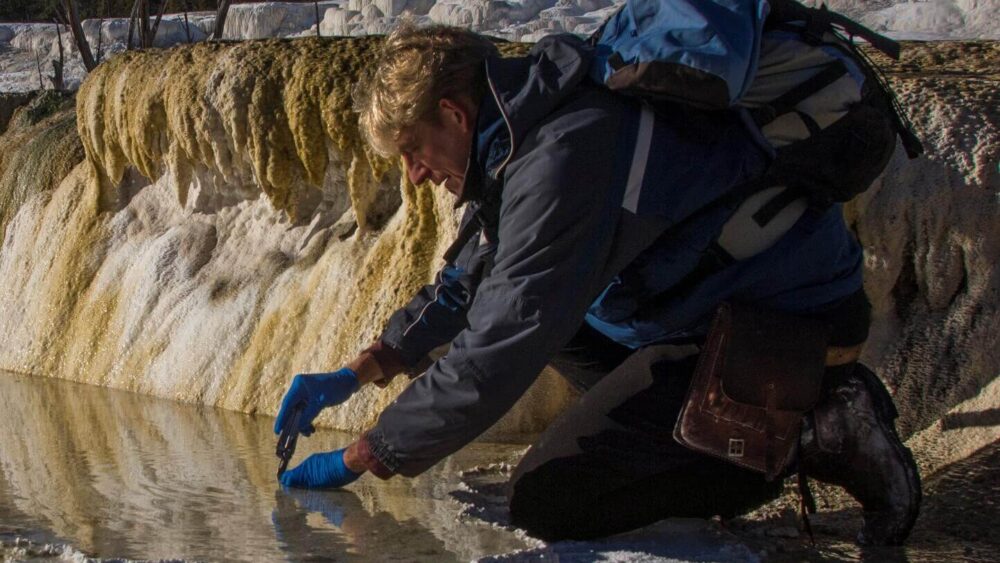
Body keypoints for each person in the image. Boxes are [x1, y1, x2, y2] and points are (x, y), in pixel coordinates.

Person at [273, 22, 921, 545]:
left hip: (786, 328)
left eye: (414, 149)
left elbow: (499, 348)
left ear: (453, 113)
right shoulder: (531, 125)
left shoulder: (563, 153)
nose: (414, 174)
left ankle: (804, 433)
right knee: (552, 327)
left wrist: (366, 452)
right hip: (706, 315)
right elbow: (475, 281)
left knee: (550, 499)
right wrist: (361, 369)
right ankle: (721, 426)